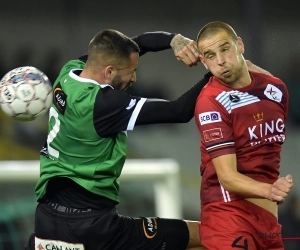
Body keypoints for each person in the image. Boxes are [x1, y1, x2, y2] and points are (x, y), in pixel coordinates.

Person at [24, 29, 208, 250]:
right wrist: (217, 72)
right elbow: (178, 111)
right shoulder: (102, 104)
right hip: (94, 226)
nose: (134, 78)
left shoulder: (69, 72)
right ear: (109, 71)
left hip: (47, 219)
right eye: (131, 72)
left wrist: (173, 40)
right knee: (203, 235)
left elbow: (135, 44)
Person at [194, 21, 293, 250]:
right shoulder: (211, 102)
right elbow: (227, 177)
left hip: (268, 223)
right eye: (210, 55)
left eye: (225, 49)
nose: (220, 61)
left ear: (240, 45)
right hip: (228, 215)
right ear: (203, 61)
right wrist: (270, 190)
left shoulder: (276, 90)